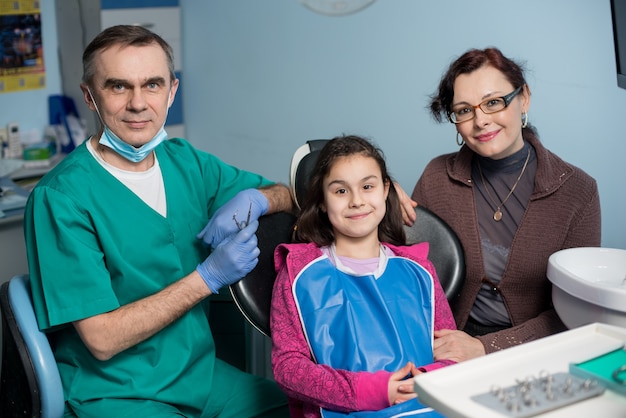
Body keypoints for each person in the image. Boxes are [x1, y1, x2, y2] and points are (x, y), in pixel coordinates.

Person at [23, 25, 292, 417]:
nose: (138, 103)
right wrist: (207, 278)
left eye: (152, 84)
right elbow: (102, 339)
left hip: (198, 376)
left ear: (171, 91)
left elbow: (286, 193)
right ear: (89, 95)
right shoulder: (61, 198)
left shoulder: (187, 162)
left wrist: (258, 200)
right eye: (118, 87)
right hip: (116, 391)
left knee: (304, 408)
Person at [412, 47, 601, 363]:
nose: (480, 121)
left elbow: (577, 311)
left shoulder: (578, 192)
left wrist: (486, 348)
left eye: (493, 102)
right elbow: (406, 274)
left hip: (535, 351)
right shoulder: (436, 177)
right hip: (445, 344)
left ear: (524, 98)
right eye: (464, 110)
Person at [270, 135, 456, 418]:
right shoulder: (298, 275)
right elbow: (288, 368)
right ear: (322, 201)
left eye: (367, 186)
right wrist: (370, 390)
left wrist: (420, 382)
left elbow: (452, 353)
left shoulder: (421, 273)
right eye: (341, 191)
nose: (357, 201)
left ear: (384, 191)